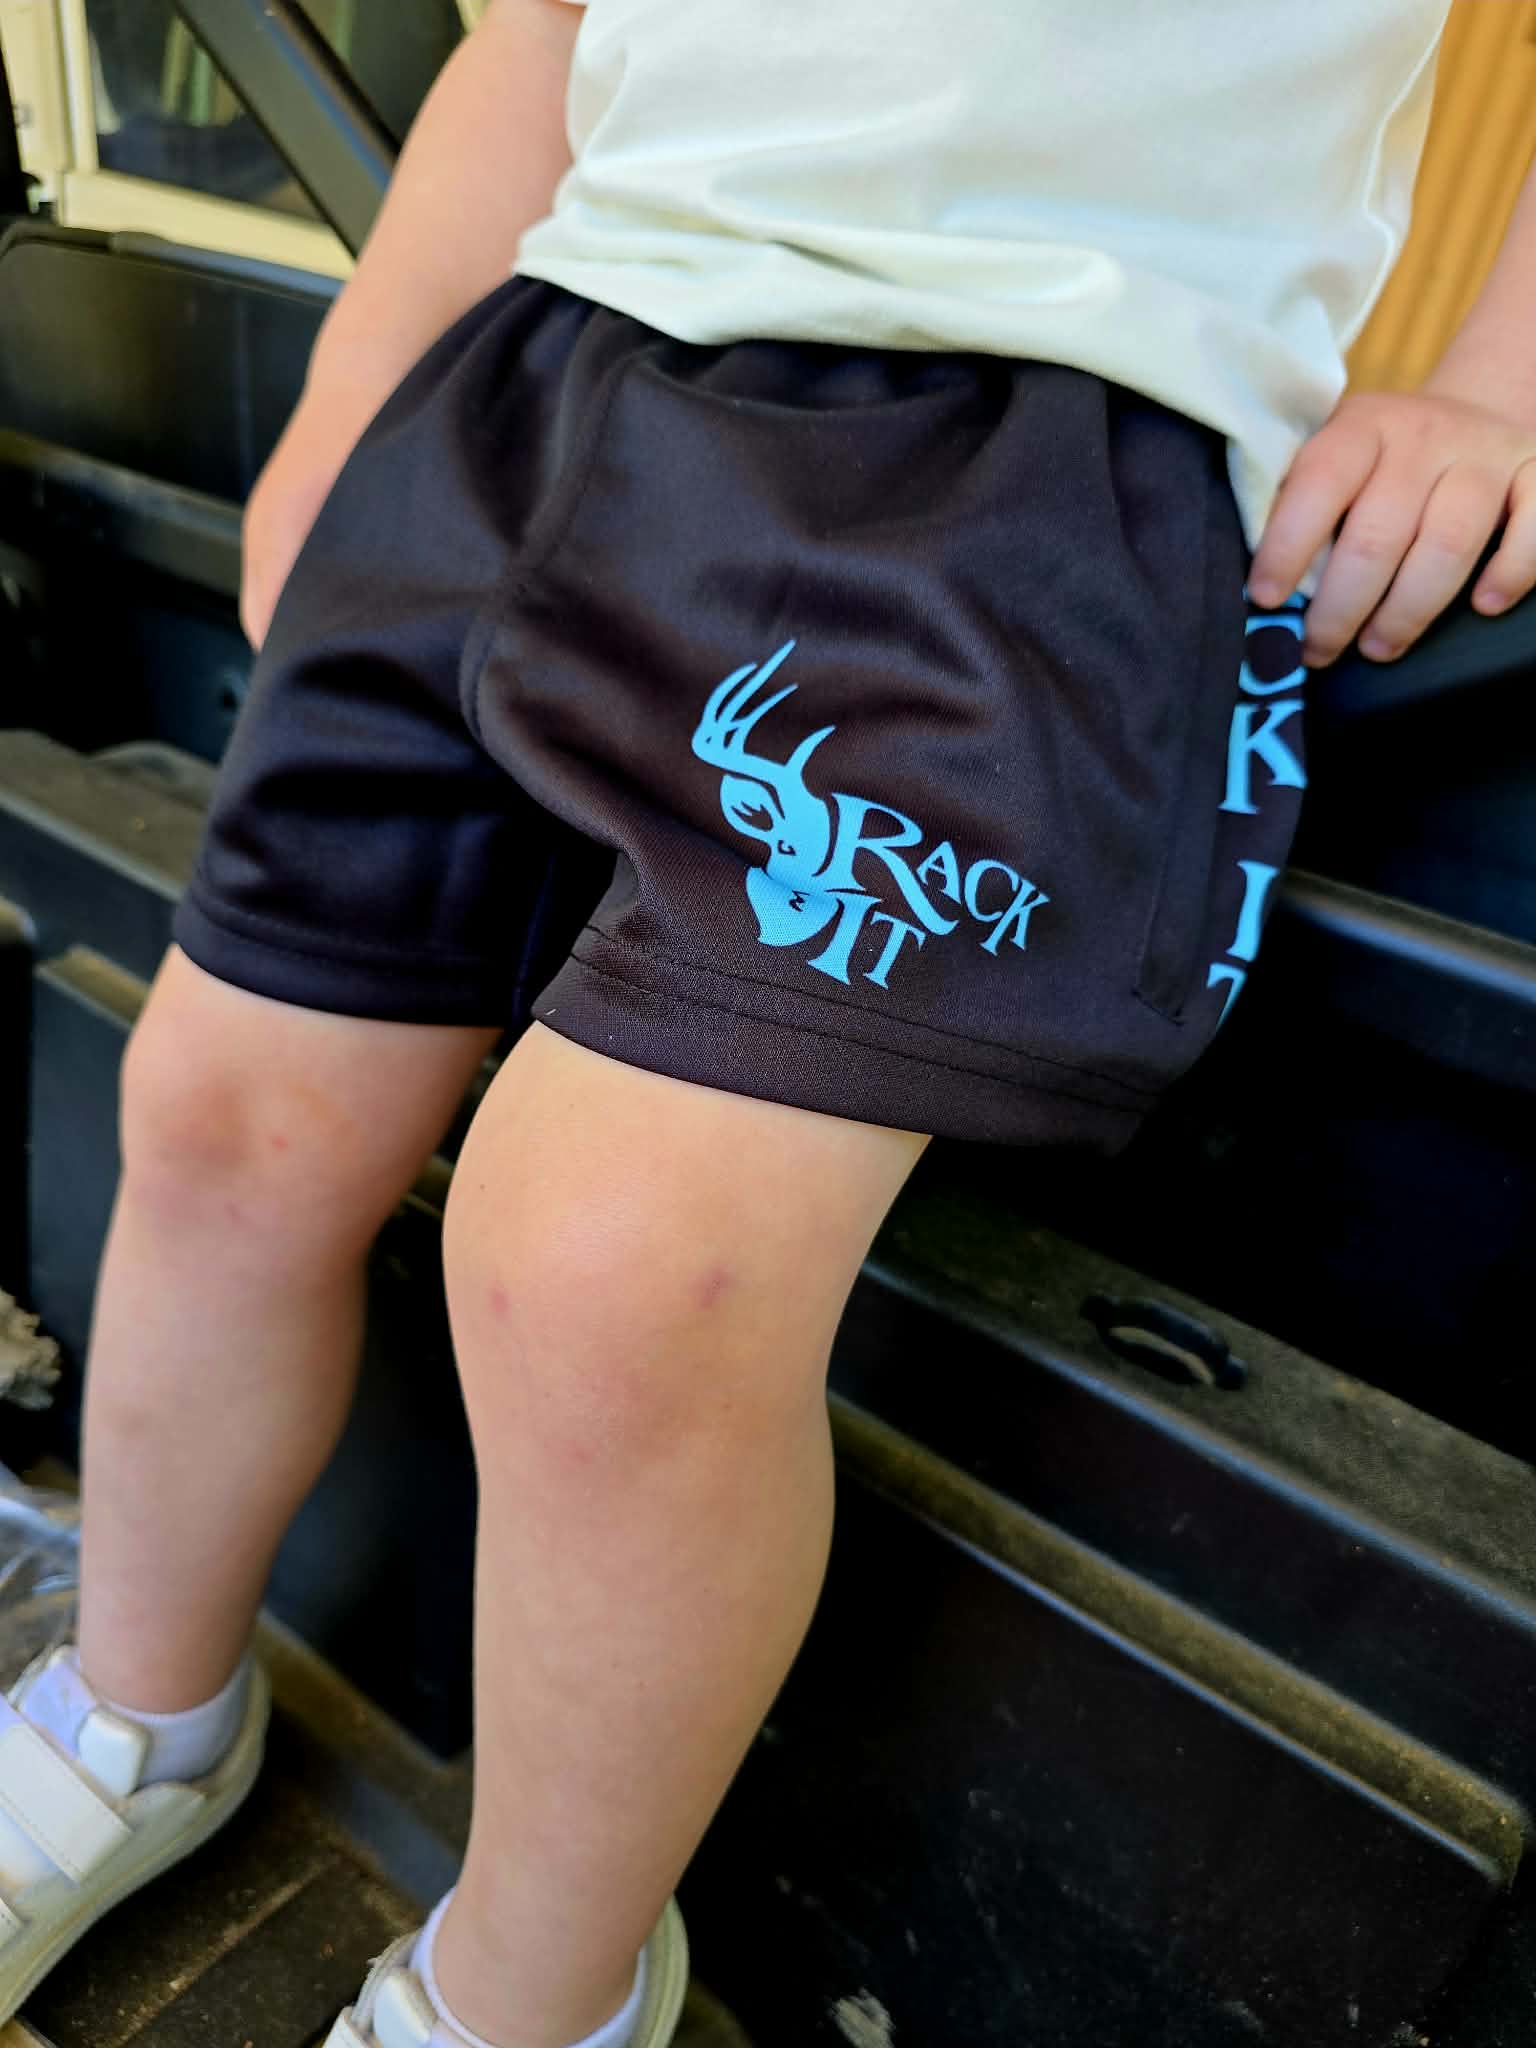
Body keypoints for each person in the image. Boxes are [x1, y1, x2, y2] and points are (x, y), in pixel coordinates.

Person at [3, 3, 1535, 2045]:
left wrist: (1505, 383)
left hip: (1029, 433)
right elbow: (546, 25)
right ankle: (133, 1718)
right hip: (527, 381)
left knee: (615, 1278)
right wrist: (361, 374)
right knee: (219, 1110)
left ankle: (529, 1999)